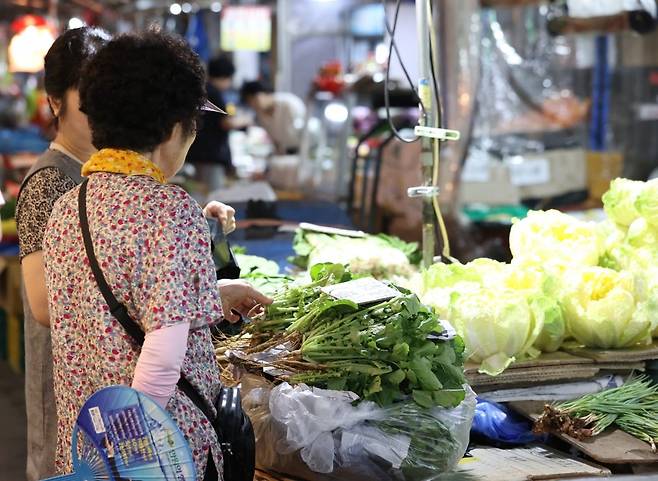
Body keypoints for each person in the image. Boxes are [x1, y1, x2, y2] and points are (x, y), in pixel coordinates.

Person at [42, 30, 270, 480]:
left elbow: (113, 309)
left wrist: (215, 291)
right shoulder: (170, 209)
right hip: (155, 458)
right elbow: (162, 360)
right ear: (172, 129)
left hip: (87, 452)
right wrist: (129, 457)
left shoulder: (69, 206)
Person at [15, 27, 110, 481]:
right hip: (66, 385)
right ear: (56, 102)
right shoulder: (50, 183)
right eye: (89, 95)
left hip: (100, 381)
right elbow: (44, 306)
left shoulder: (100, 173)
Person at [186, 55, 240, 192]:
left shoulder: (199, 90)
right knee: (213, 196)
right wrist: (245, 120)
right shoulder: (215, 93)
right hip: (211, 156)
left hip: (194, 152)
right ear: (225, 76)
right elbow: (226, 123)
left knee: (197, 193)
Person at [240, 80, 306, 155]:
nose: (253, 104)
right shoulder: (260, 115)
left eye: (254, 99)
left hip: (303, 149)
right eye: (249, 102)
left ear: (265, 93)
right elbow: (275, 140)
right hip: (285, 153)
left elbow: (305, 130)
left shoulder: (289, 104)